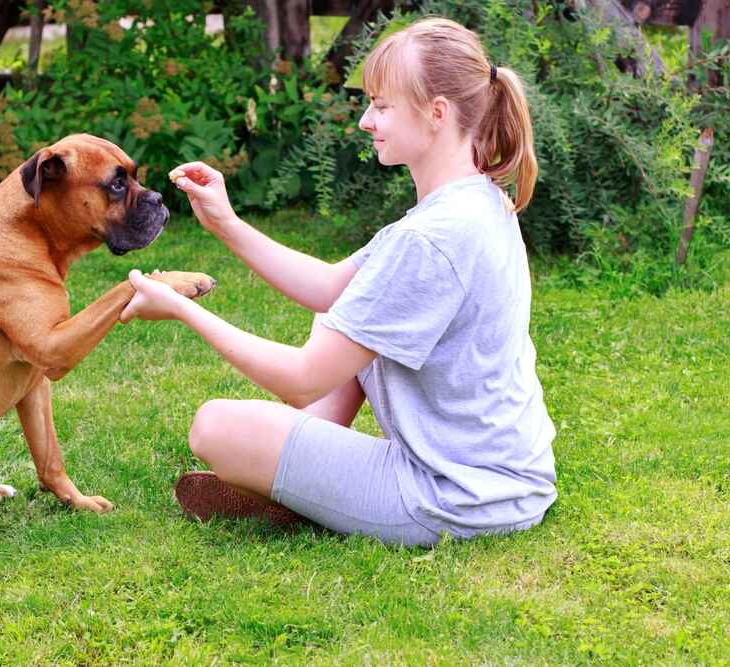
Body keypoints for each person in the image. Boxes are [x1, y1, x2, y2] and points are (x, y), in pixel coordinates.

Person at [119, 17, 557, 546]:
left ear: (436, 113)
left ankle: (309, 493)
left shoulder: (431, 239)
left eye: (383, 105)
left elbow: (304, 378)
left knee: (215, 426)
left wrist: (182, 308)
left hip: (450, 497)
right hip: (506, 482)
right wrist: (226, 223)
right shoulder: (476, 203)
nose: (366, 121)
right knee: (342, 313)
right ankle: (308, 481)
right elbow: (331, 286)